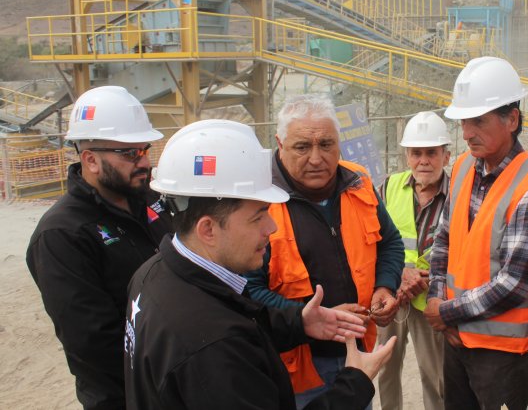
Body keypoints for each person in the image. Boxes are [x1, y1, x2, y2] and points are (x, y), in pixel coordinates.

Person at [124, 119, 397, 409]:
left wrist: (298, 322)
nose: (271, 227)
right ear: (208, 230)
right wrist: (355, 382)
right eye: (258, 216)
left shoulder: (152, 274)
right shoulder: (215, 345)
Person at [245, 94, 404, 408]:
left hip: (356, 356)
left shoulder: (358, 182)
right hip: (297, 368)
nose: (316, 159)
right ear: (279, 143)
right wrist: (309, 318)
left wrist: (385, 285)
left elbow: (390, 243)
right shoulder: (258, 200)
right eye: (302, 147)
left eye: (327, 145)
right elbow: (246, 288)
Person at [424, 56, 528, 410]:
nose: (467, 132)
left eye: (478, 121)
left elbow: (514, 282)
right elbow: (443, 241)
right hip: (456, 339)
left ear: (512, 119)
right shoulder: (462, 166)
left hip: (500, 355)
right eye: (463, 121)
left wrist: (447, 313)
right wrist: (439, 306)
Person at [26, 86, 172, 410]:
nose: (145, 162)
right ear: (90, 159)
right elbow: (94, 344)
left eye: (146, 149)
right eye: (130, 153)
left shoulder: (153, 200)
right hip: (126, 398)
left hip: (175, 383)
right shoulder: (61, 235)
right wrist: (179, 358)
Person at [376, 111, 450, 410]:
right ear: (406, 155)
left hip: (431, 299)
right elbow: (374, 241)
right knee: (386, 371)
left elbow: (466, 247)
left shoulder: (460, 192)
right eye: (416, 153)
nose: (423, 161)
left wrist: (428, 278)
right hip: (391, 295)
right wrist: (399, 275)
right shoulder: (387, 188)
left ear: (446, 155)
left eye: (431, 153)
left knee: (436, 377)